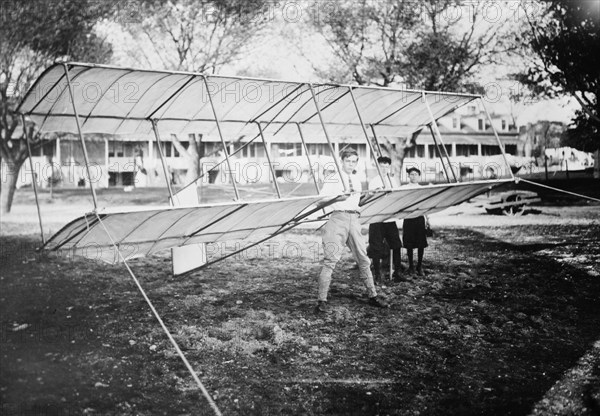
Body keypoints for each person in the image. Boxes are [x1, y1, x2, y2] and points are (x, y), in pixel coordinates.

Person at [315, 148, 389, 312]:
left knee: (363, 259)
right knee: (330, 261)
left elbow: (357, 203)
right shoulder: (333, 178)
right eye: (348, 161)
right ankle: (322, 301)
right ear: (342, 161)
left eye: (354, 161)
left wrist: (371, 195)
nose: (351, 164)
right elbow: (319, 202)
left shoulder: (356, 179)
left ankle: (373, 296)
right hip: (337, 220)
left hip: (354, 220)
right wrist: (336, 198)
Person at [367, 156, 404, 282]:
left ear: (389, 167)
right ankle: (377, 273)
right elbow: (371, 199)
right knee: (376, 247)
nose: (384, 169)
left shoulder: (393, 180)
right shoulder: (374, 181)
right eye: (381, 166)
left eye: (386, 166)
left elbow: (397, 197)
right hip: (377, 218)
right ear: (377, 167)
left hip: (389, 218)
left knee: (396, 245)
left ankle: (397, 272)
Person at [402, 167, 429, 276]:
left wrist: (428, 219)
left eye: (416, 174)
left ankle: (419, 265)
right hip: (409, 218)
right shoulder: (404, 188)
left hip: (419, 218)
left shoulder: (422, 189)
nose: (414, 176)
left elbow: (426, 206)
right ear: (408, 176)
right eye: (412, 174)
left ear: (419, 176)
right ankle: (411, 266)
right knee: (409, 243)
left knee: (421, 243)